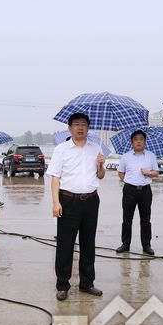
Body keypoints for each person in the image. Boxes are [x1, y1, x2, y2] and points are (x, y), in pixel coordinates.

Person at [47, 113, 106, 301]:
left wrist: (101, 165)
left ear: (88, 128)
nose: (80, 127)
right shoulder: (61, 150)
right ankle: (63, 284)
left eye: (84, 124)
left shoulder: (95, 148)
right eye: (76, 124)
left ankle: (87, 283)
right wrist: (56, 202)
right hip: (68, 200)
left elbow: (100, 176)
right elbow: (55, 178)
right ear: (69, 128)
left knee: (88, 243)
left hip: (90, 200)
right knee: (65, 244)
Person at [115, 129, 159, 256]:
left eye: (141, 139)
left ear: (145, 142)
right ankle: (125, 244)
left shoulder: (151, 156)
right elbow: (120, 173)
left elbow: (156, 172)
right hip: (129, 190)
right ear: (131, 142)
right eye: (136, 139)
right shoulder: (126, 156)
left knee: (146, 219)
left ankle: (146, 245)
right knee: (127, 219)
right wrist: (129, 181)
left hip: (145, 191)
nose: (139, 141)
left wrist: (148, 173)